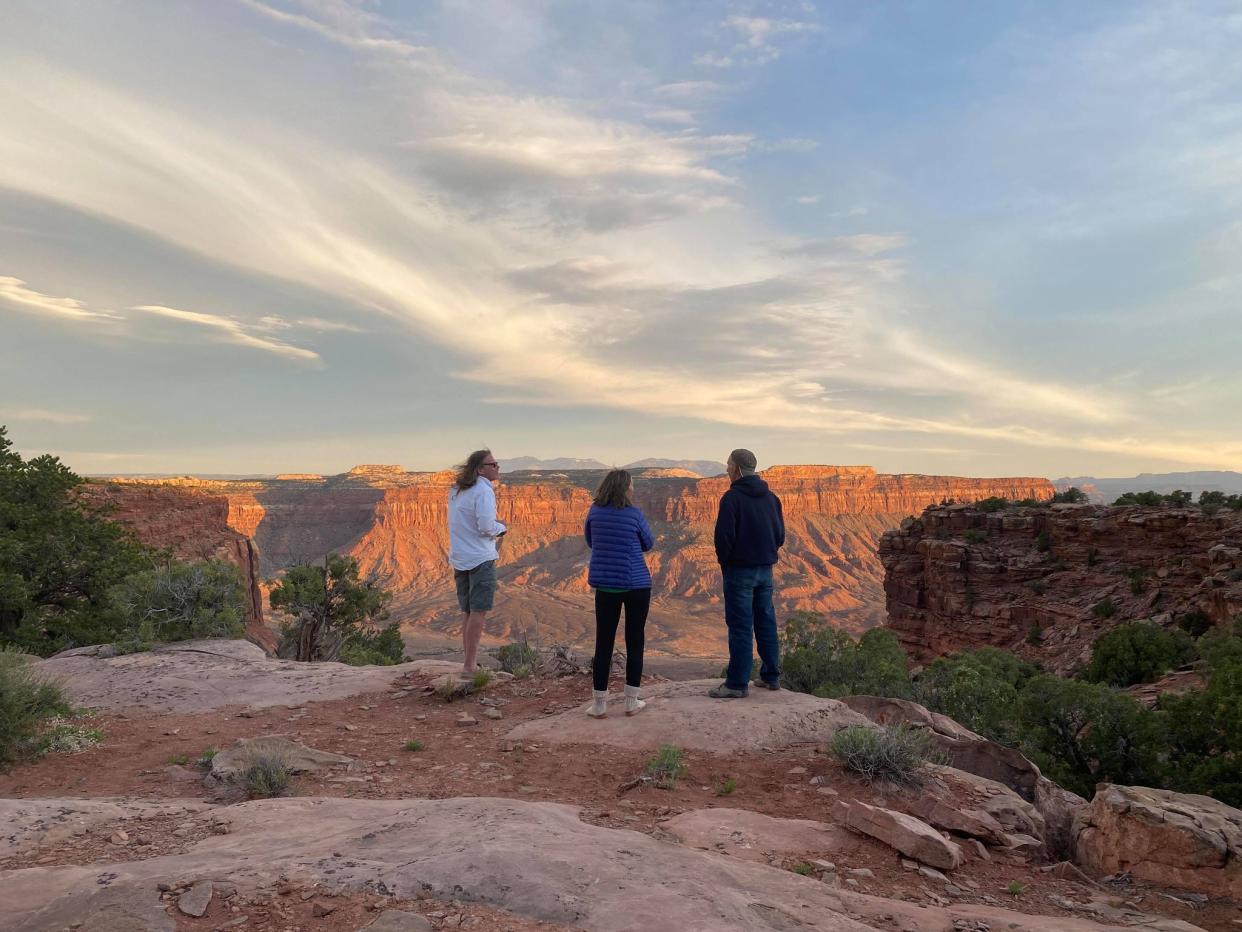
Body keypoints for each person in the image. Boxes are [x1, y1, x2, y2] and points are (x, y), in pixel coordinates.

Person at [709, 448, 785, 698]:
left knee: (741, 626)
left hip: (740, 571)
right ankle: (771, 677)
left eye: (728, 464)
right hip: (765, 571)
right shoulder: (772, 498)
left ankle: (736, 684)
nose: (727, 469)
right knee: (766, 622)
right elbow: (780, 535)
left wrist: (726, 564)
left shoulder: (732, 498)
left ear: (738, 469)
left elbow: (723, 538)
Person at [584, 468, 655, 718]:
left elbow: (590, 540)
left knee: (603, 643)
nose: (633, 489)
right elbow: (649, 543)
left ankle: (599, 704)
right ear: (624, 488)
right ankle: (630, 702)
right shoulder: (634, 514)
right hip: (637, 584)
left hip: (606, 586)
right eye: (631, 485)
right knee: (635, 641)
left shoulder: (595, 512)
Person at [447, 449, 506, 674]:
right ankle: (470, 666)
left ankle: (467, 662)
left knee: (468, 612)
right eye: (493, 464)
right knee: (478, 612)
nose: (497, 467)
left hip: (461, 558)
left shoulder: (457, 490)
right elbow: (486, 527)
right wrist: (502, 528)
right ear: (480, 469)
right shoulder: (483, 490)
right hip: (480, 558)